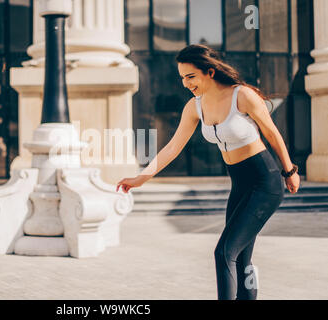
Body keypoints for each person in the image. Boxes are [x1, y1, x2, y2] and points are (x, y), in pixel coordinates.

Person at [116, 44, 300, 300]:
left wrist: (289, 171)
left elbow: (271, 133)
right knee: (240, 256)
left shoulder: (242, 96)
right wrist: (141, 178)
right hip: (240, 185)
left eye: (191, 76)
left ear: (210, 72)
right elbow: (172, 147)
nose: (186, 83)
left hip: (265, 182)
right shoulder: (195, 107)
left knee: (224, 252)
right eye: (182, 78)